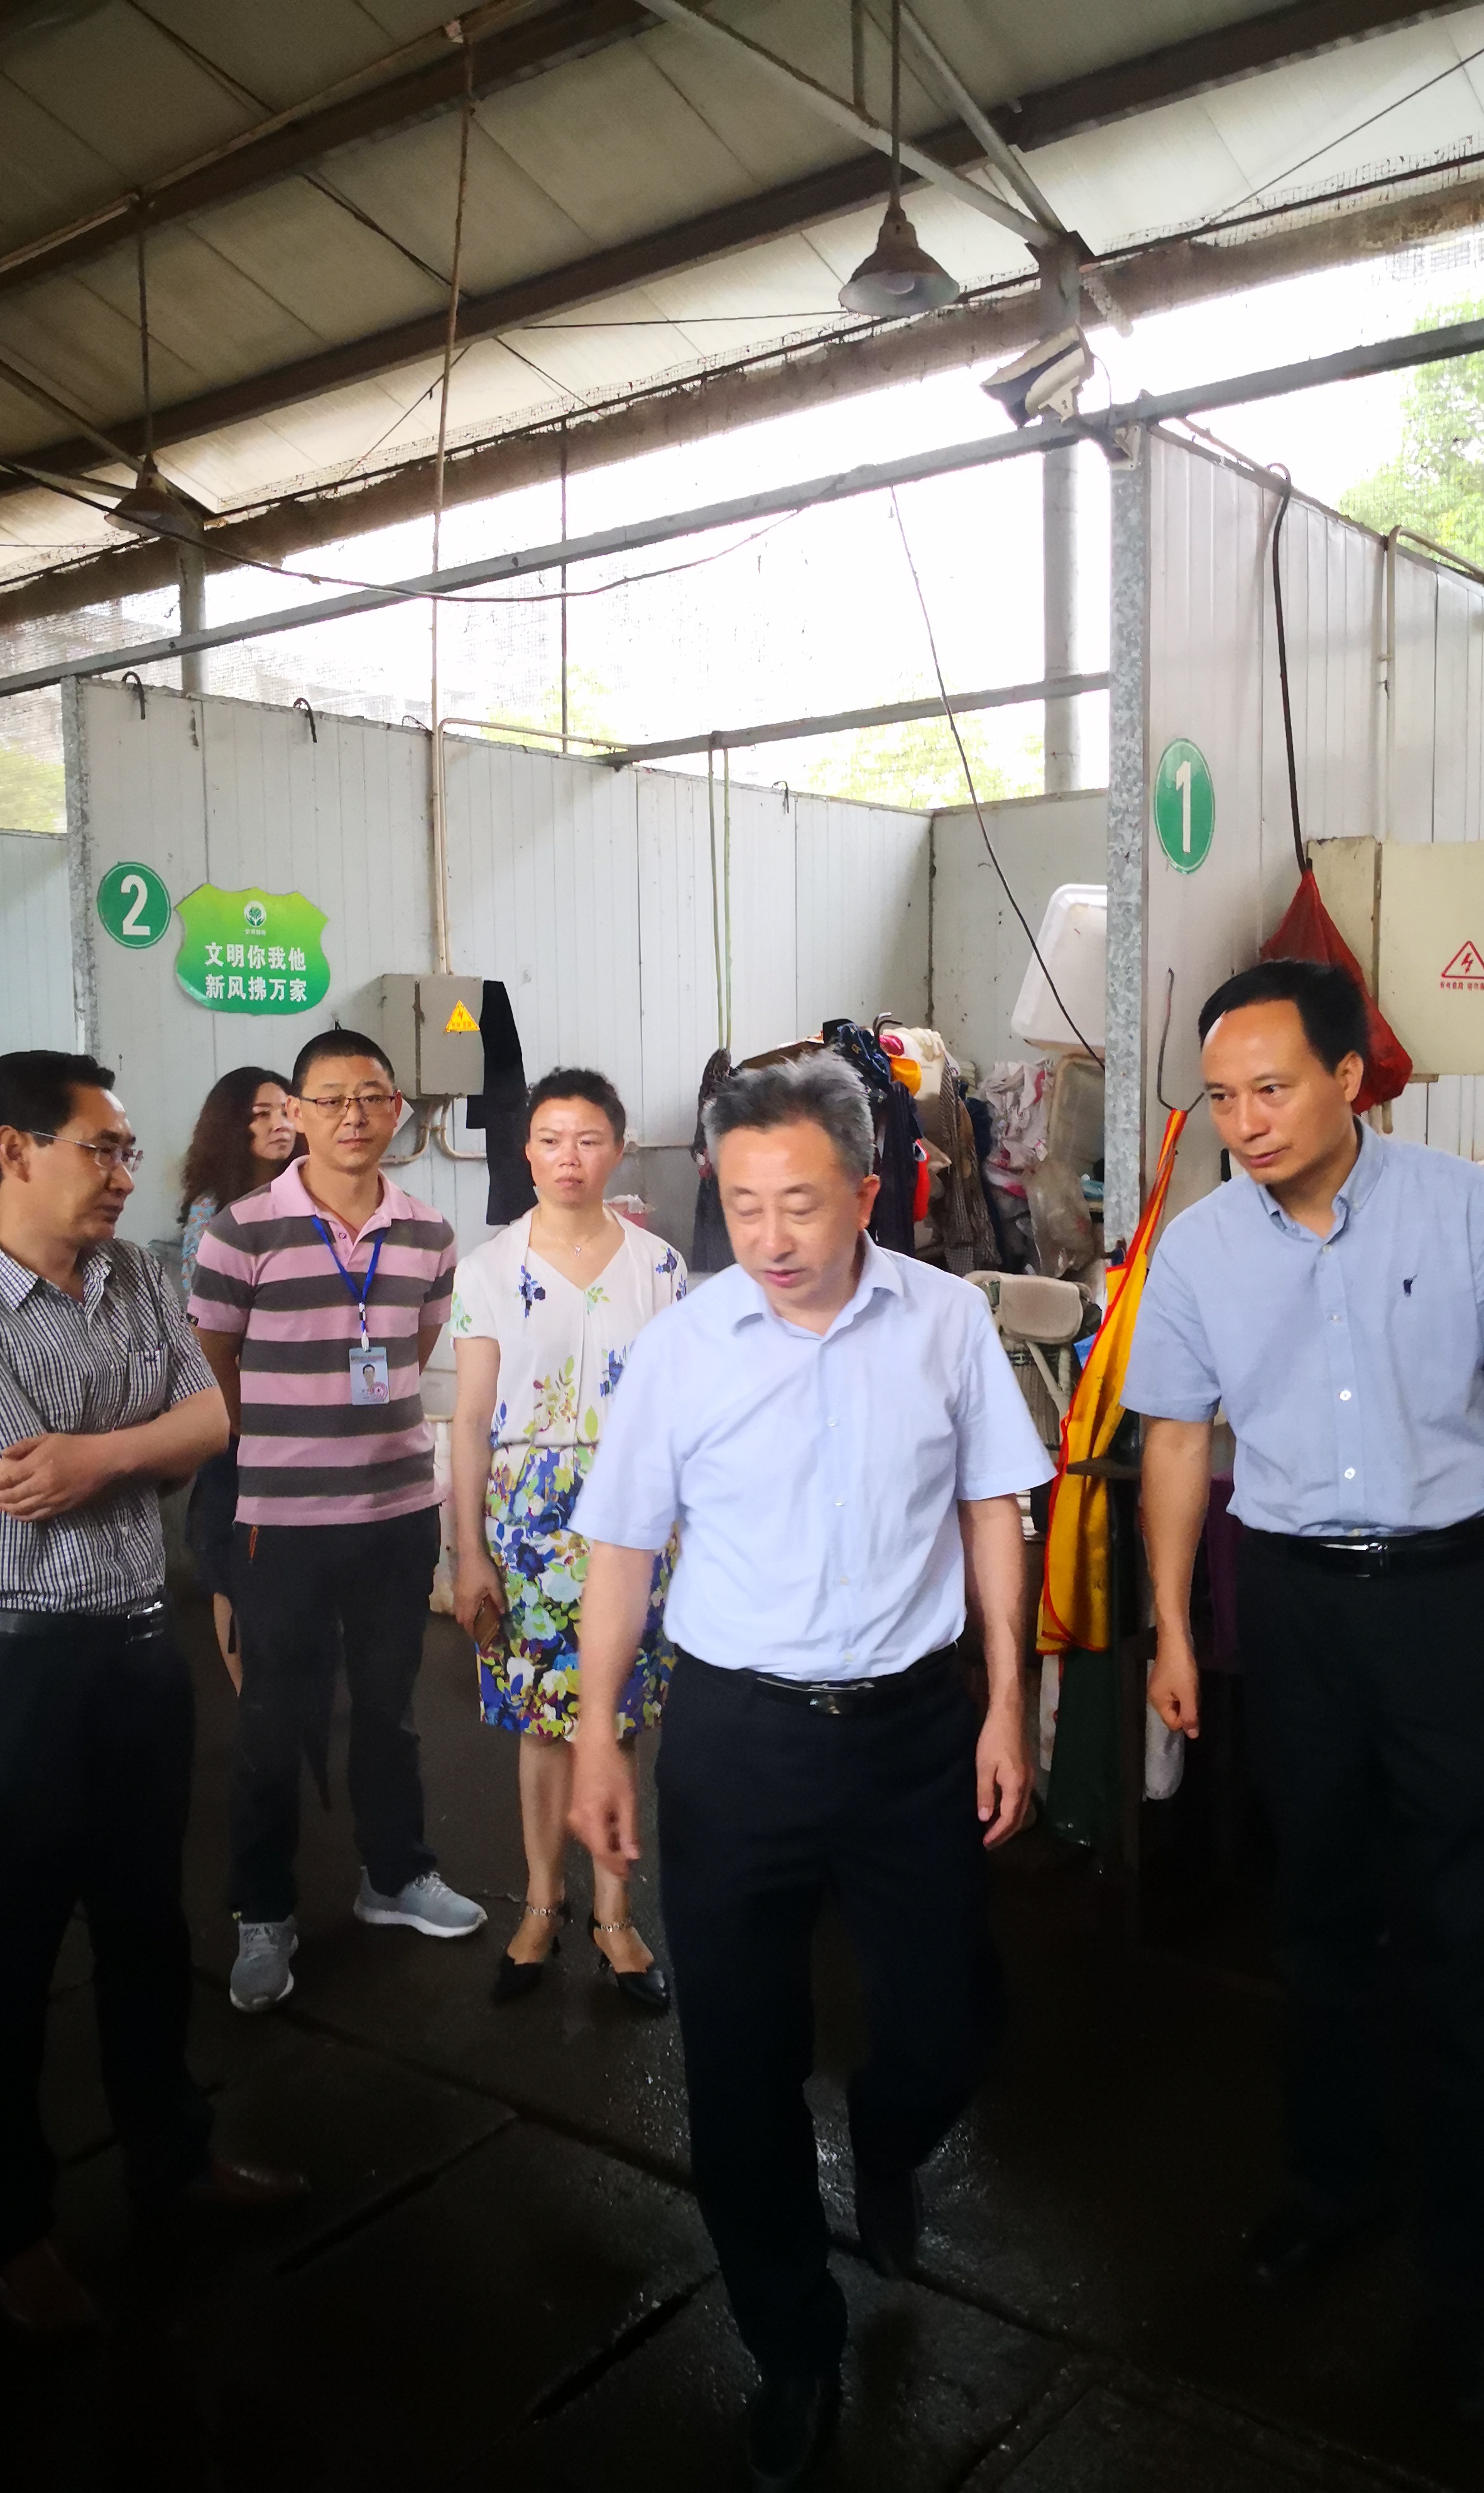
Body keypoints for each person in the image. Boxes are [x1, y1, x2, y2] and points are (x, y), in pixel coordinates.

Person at [1123, 959, 1484, 2423]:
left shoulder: (1460, 1211)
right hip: (1293, 1609)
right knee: (1321, 1913)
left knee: (1463, 1936)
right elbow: (1174, 1442)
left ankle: (1468, 2284)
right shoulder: (1200, 1247)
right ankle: (1333, 2182)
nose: (1246, 1119)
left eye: (1272, 1087)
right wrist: (1170, 1627)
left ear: (1350, 1078)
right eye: (1224, 1096)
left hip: (1450, 1602)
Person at [567, 1052, 1047, 2493]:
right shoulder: (685, 1345)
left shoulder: (947, 1320)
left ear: (869, 1190)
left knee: (951, 2021)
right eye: (743, 1203)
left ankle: (889, 2137)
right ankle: (791, 2340)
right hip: (737, 1740)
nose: (771, 1236)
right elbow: (621, 1546)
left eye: (801, 1203)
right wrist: (598, 1733)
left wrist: (1007, 1702)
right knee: (738, 2062)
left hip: (912, 1733)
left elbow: (994, 1506)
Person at [0, 1050, 303, 2334]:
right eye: (102, 1147)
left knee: (145, 1931)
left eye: (126, 1150)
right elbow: (24, 1475)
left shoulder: (139, 1276)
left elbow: (210, 1423)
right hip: (18, 1668)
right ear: (15, 1151)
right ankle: (9, 2230)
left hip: (138, 1653)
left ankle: (172, 2159)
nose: (126, 1170)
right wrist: (135, 1449)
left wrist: (102, 1453)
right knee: (6, 1956)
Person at [189, 1027, 482, 2016]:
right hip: (281, 1520)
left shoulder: (430, 1233)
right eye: (329, 1098)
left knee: (390, 1711)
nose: (352, 1115)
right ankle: (263, 1911)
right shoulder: (240, 1232)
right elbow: (215, 1362)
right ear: (298, 1113)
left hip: (397, 1512)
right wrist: (284, 1441)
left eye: (371, 1096)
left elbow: (413, 1347)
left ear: (396, 1109)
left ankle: (394, 1876)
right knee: (273, 1720)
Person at [450, 1069, 686, 2012]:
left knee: (618, 1713)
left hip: (636, 1509)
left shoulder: (660, 1268)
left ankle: (616, 1914)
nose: (568, 1158)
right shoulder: (489, 1268)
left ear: (618, 1149)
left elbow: (679, 1412)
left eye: (588, 1140)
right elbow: (471, 1422)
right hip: (527, 1517)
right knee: (544, 1723)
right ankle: (544, 1904)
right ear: (526, 1152)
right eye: (550, 1140)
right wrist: (468, 1551)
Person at [177, 1066, 300, 1689]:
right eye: (261, 1113)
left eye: (286, 1109)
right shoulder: (214, 1212)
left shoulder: (313, 1196)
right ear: (231, 1125)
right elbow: (205, 1331)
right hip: (240, 1412)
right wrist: (241, 1420)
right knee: (232, 1556)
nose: (280, 1124)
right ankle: (250, 1693)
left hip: (308, 1410)